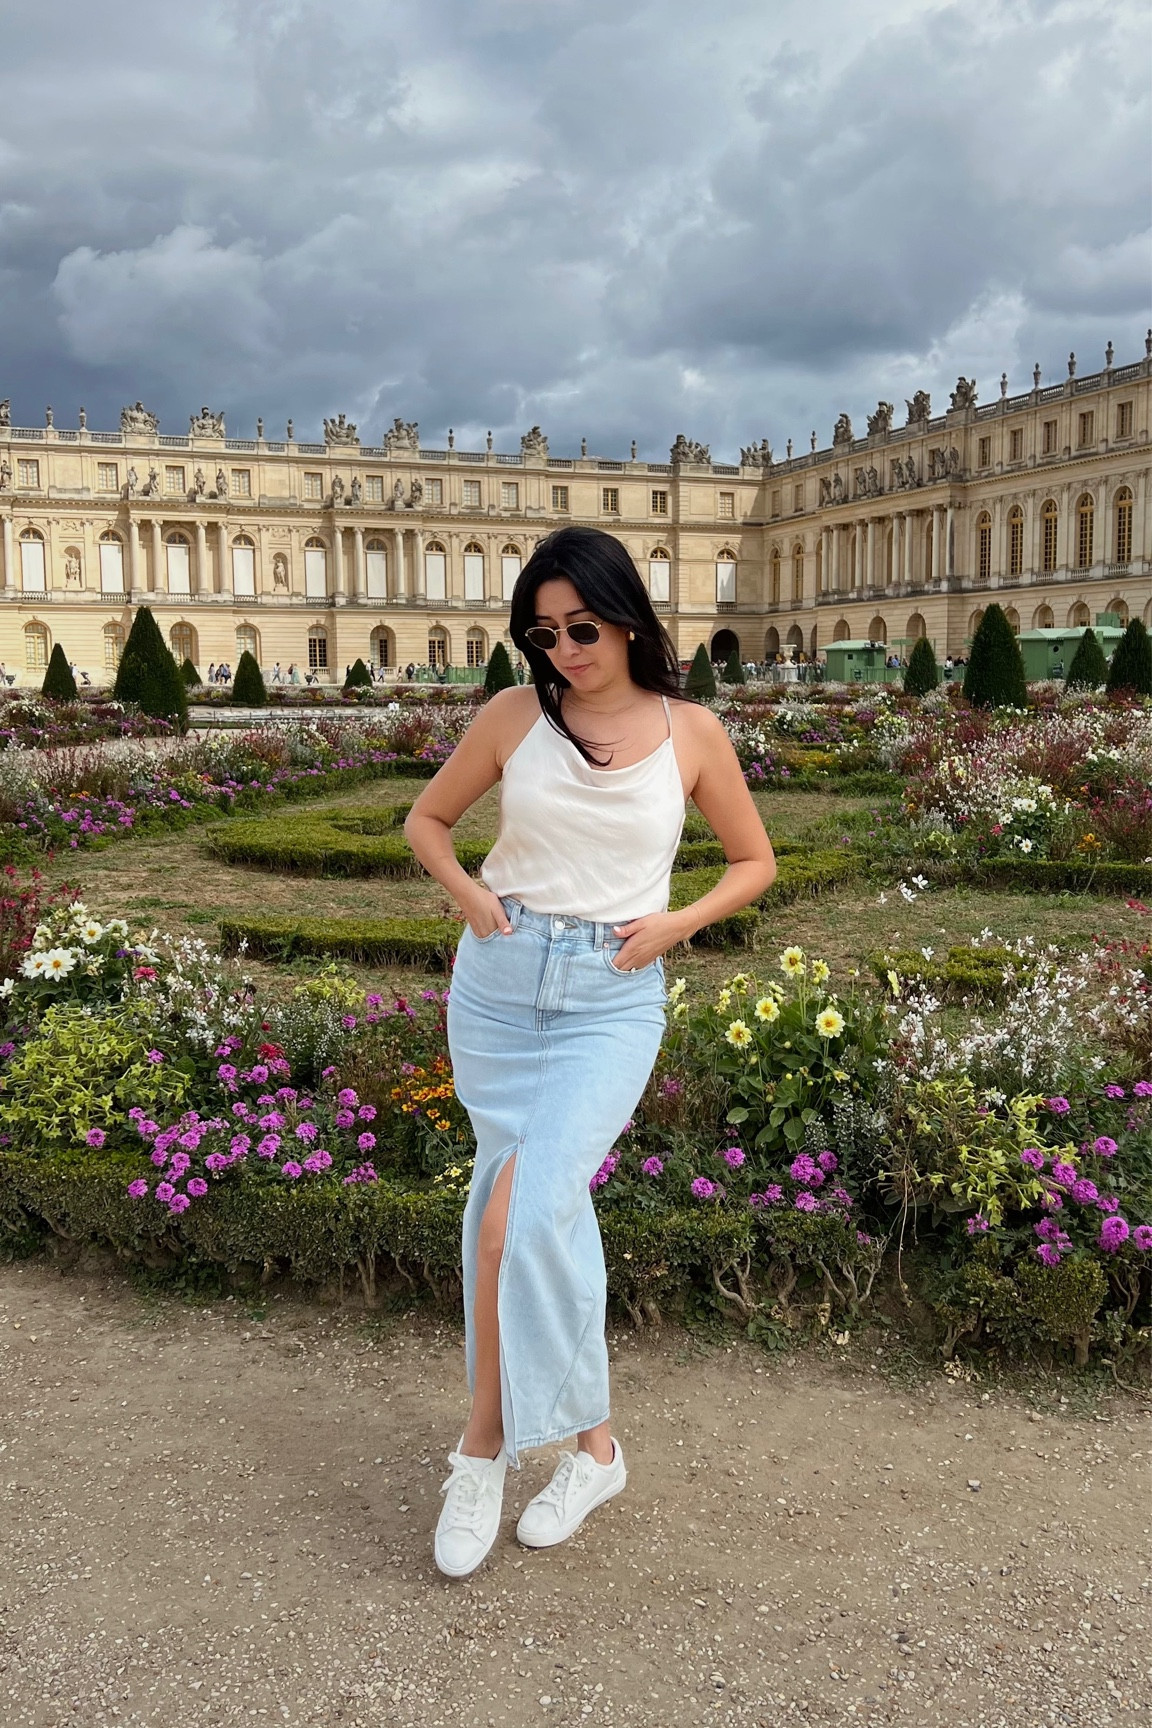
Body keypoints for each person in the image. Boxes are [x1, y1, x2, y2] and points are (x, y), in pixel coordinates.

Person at [404, 525, 776, 1579]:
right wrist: (474, 897)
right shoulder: (516, 714)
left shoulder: (691, 729)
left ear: (625, 614)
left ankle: (487, 1448)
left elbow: (754, 861)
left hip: (613, 1000)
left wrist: (676, 925)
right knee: (529, 1221)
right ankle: (584, 1451)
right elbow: (426, 823)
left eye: (580, 626)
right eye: (542, 632)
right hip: (501, 987)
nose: (564, 649)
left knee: (517, 1217)